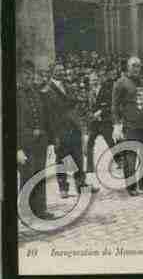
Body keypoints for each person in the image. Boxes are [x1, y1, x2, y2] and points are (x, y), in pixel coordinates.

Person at [45, 64, 98, 198]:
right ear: (51, 72)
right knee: (62, 159)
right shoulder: (47, 90)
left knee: (77, 157)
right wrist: (53, 135)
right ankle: (63, 188)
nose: (61, 73)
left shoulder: (68, 87)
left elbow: (75, 104)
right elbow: (49, 115)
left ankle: (81, 185)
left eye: (62, 70)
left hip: (73, 127)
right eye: (58, 71)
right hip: (60, 130)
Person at [112, 57, 143, 196]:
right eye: (133, 66)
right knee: (130, 157)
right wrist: (117, 124)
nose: (136, 68)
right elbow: (115, 106)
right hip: (129, 125)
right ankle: (131, 187)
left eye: (138, 66)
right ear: (127, 67)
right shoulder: (120, 83)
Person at [17, 61, 55, 219]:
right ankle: (25, 211)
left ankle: (40, 209)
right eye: (25, 73)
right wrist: (17, 148)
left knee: (39, 175)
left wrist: (51, 142)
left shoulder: (37, 93)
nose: (29, 76)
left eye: (31, 74)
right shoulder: (14, 94)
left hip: (40, 144)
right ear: (19, 75)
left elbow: (47, 118)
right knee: (27, 177)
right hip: (25, 144)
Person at [85, 71, 117, 174]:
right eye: (91, 80)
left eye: (95, 79)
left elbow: (109, 105)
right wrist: (90, 115)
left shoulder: (106, 91)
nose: (93, 82)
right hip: (93, 123)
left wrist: (100, 112)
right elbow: (87, 106)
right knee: (89, 144)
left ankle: (120, 161)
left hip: (104, 121)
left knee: (111, 143)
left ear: (98, 80)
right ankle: (89, 167)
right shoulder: (88, 92)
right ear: (89, 82)